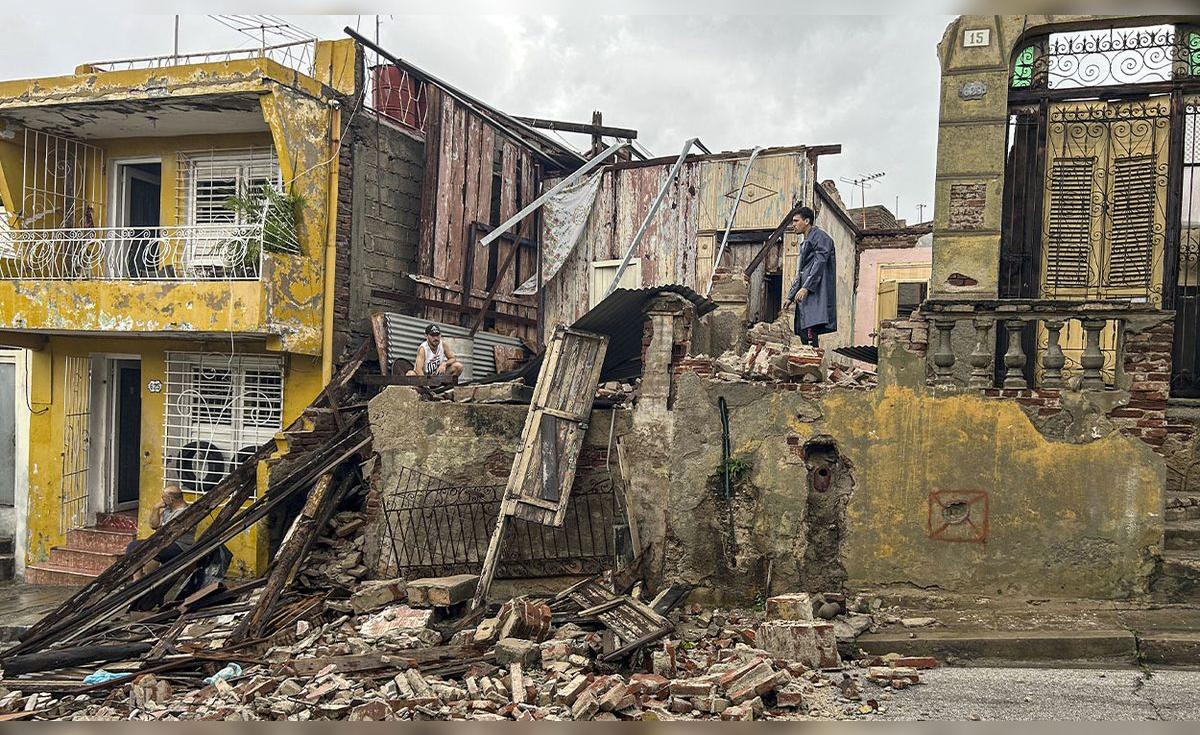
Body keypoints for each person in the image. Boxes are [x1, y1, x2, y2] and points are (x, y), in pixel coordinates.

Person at [783, 206, 837, 347]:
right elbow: (802, 271)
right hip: (806, 295)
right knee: (803, 331)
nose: (793, 225)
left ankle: (811, 365)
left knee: (810, 331)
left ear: (806, 221)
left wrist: (806, 288)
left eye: (796, 221)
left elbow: (819, 264)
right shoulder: (807, 240)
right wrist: (791, 295)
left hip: (815, 294)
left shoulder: (820, 237)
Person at [125, 484, 196, 579]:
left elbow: (167, 532)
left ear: (171, 499)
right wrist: (156, 508)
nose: (162, 500)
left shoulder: (185, 512)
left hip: (178, 545)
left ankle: (146, 580)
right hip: (163, 542)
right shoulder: (168, 509)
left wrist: (160, 529)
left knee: (147, 550)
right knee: (133, 546)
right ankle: (137, 580)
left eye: (163, 497)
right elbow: (153, 525)